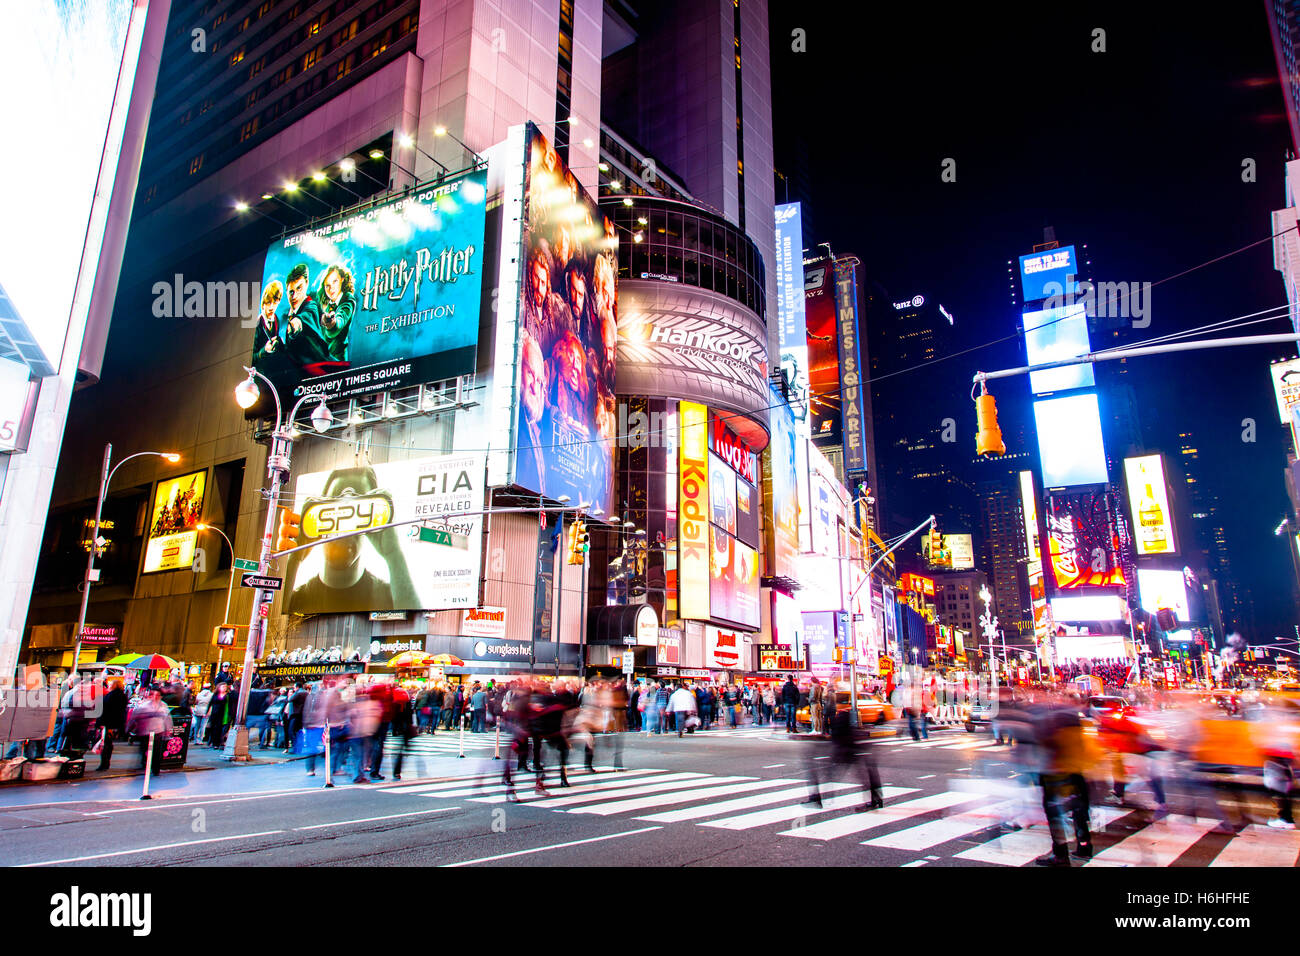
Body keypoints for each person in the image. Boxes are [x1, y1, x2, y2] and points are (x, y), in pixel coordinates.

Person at [805, 693, 884, 811]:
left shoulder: (841, 715)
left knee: (826, 774)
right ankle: (876, 799)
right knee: (864, 775)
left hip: (844, 751)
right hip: (852, 750)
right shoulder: (843, 715)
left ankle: (816, 798)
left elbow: (838, 735)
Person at [125, 688, 173, 776]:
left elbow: (167, 719)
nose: (155, 697)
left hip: (158, 731)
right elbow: (134, 717)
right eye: (153, 695)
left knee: (157, 751)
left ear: (160, 696)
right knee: (145, 750)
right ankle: (145, 764)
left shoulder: (163, 706)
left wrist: (169, 730)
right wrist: (129, 729)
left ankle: (155, 769)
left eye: (158, 695)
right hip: (145, 732)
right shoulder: (144, 706)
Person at [316, 263, 356, 361]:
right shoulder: (328, 306)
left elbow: (340, 319)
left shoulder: (347, 299)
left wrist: (332, 324)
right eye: (327, 286)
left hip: (338, 361)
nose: (331, 288)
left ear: (342, 279)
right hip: (324, 361)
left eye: (335, 281)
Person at [96, 680, 128, 772]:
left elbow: (106, 710)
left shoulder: (111, 696)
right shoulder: (122, 696)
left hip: (108, 723)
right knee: (108, 744)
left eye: (110, 684)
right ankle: (105, 763)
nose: (108, 686)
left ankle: (104, 764)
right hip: (116, 723)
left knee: (106, 744)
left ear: (114, 686)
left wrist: (101, 723)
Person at [206, 683, 236, 748]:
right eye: (222, 687)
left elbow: (231, 704)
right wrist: (207, 712)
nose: (224, 688)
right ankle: (215, 743)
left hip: (224, 714)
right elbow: (211, 704)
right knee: (215, 728)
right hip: (215, 714)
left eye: (225, 687)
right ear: (219, 687)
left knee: (222, 729)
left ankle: (219, 741)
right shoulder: (215, 695)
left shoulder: (228, 695)